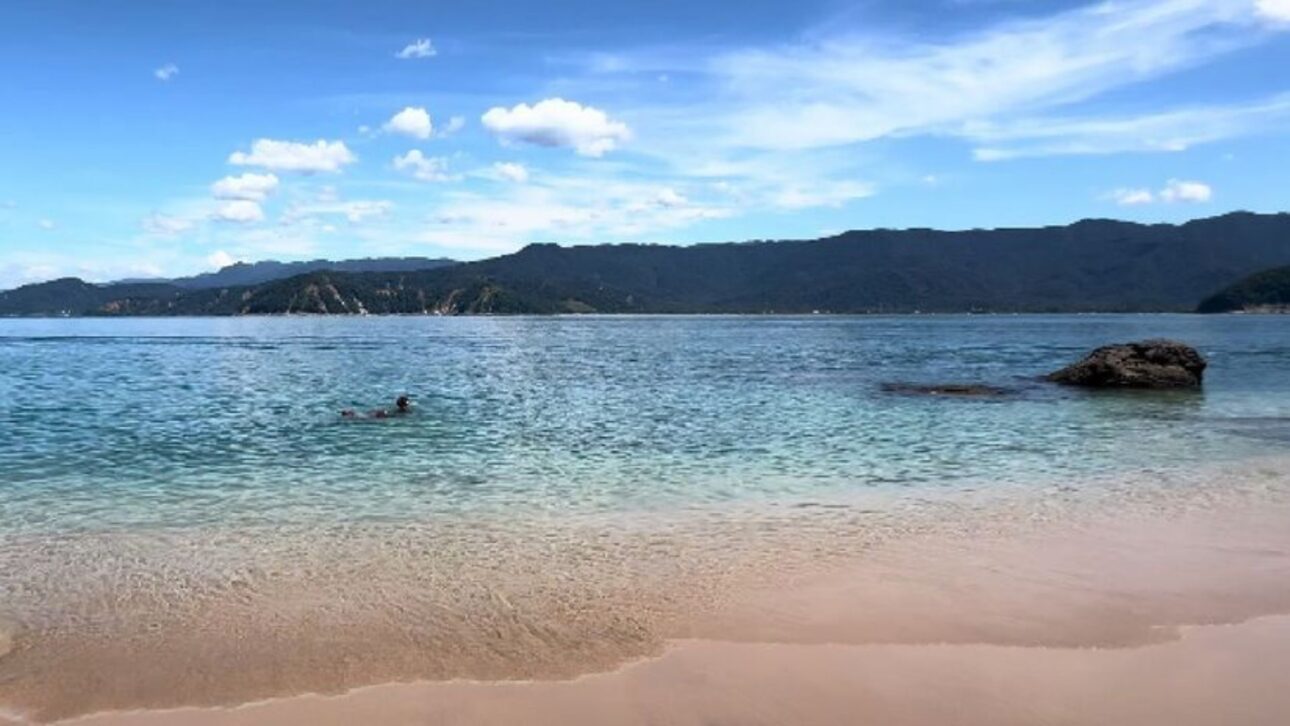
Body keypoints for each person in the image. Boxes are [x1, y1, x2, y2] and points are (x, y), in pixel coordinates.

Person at [341, 396, 411, 419]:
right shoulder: (406, 412)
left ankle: (351, 414)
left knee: (367, 415)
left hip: (382, 412)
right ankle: (352, 414)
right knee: (367, 416)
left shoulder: (396, 409)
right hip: (384, 414)